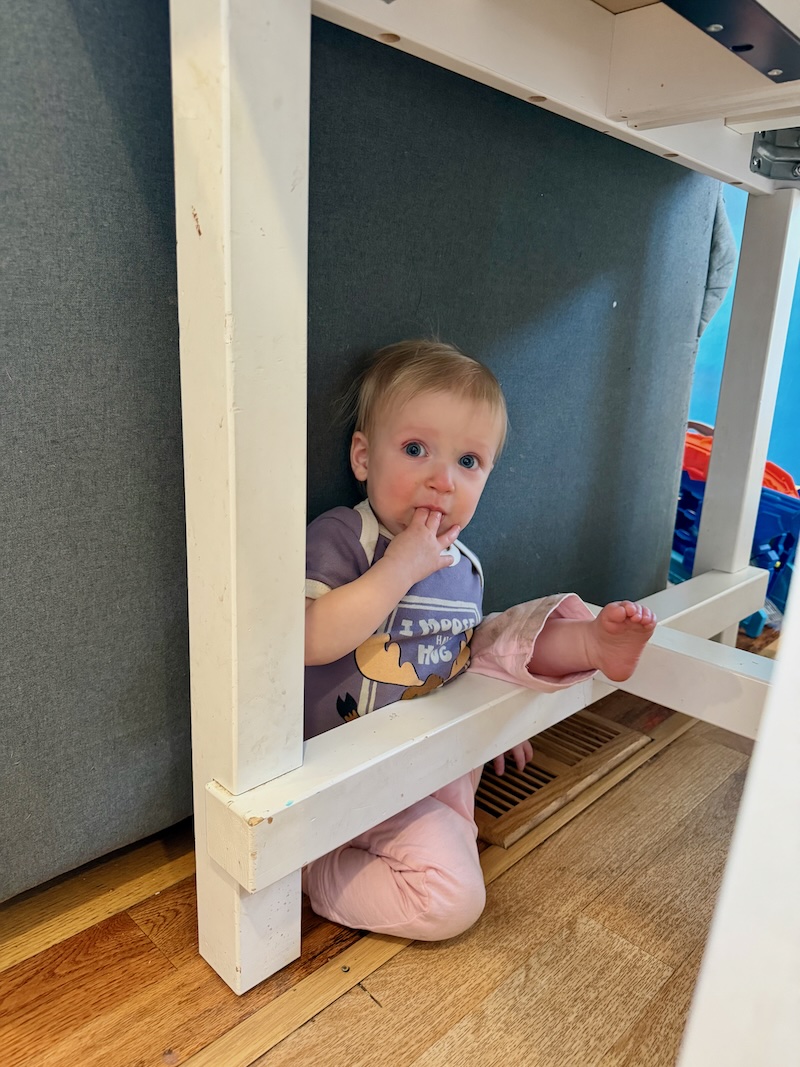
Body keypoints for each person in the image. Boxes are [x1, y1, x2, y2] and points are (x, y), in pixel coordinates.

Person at [303, 340, 656, 940]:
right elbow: (307, 641)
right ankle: (312, 870)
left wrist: (491, 722)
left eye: (468, 462)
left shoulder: (464, 566)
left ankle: (587, 644)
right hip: (349, 777)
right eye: (416, 450)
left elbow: (456, 658)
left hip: (430, 766)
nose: (442, 481)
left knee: (494, 639)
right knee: (451, 898)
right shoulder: (345, 536)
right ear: (363, 457)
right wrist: (399, 568)